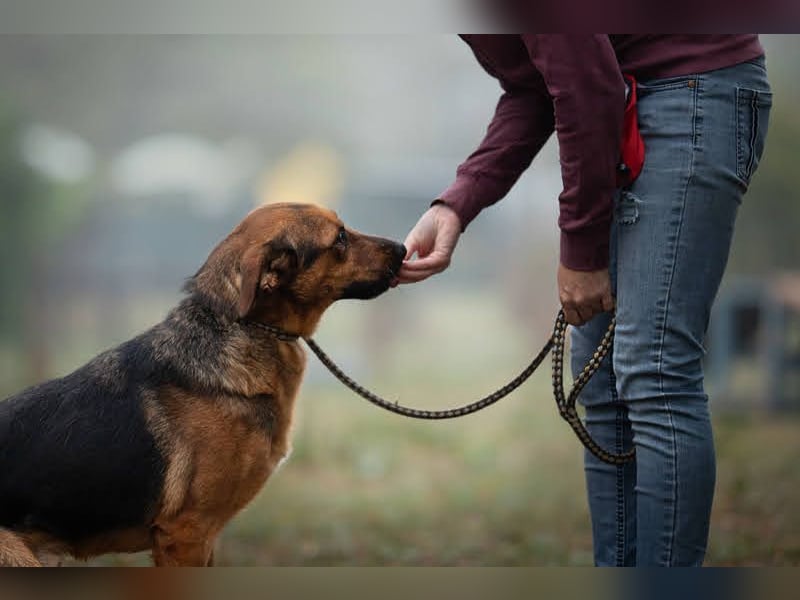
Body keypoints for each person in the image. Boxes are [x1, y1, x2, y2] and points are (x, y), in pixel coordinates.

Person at [396, 35, 772, 566]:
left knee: (654, 370)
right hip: (630, 98)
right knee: (603, 382)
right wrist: (458, 203)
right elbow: (537, 89)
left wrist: (581, 250)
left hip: (690, 92)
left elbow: (586, 89)